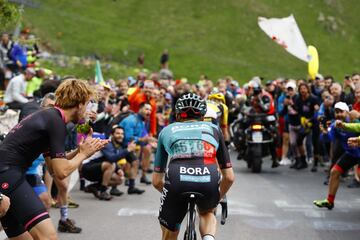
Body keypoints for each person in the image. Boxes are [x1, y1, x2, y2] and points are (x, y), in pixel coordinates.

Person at [0, 79, 109, 239]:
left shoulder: (51, 117)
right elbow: (61, 172)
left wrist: (81, 150)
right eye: (87, 105)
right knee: (48, 237)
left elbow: (53, 167)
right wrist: (83, 154)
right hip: (8, 175)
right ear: (79, 104)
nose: (87, 111)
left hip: (7, 173)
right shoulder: (56, 121)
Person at [152, 92, 234, 240]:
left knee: (168, 230)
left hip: (177, 179)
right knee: (207, 212)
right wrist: (215, 199)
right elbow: (229, 177)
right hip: (208, 176)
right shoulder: (214, 129)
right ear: (203, 116)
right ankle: (208, 238)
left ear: (177, 115)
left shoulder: (166, 130)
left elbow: (157, 181)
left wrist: (172, 195)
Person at [313, 102, 358, 210]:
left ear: (347, 112)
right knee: (334, 172)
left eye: (341, 112)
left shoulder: (355, 121)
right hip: (352, 154)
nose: (338, 114)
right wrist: (324, 132)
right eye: (336, 112)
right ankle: (330, 201)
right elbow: (328, 139)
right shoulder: (334, 125)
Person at [120, 102, 157, 185]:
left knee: (148, 149)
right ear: (140, 109)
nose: (149, 111)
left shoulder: (142, 120)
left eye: (150, 110)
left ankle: (142, 176)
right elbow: (128, 138)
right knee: (135, 152)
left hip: (135, 142)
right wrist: (143, 139)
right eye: (147, 109)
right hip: (123, 144)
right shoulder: (132, 120)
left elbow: (143, 135)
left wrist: (151, 140)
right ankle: (128, 178)